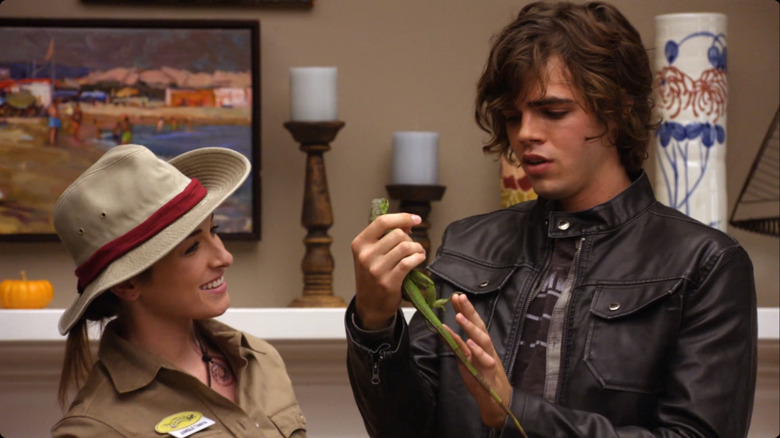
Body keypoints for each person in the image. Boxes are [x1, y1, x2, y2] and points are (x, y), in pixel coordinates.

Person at [345, 2, 756, 437]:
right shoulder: (469, 245)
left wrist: (513, 411)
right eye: (512, 116)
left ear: (617, 112)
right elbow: (403, 430)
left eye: (553, 112)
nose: (525, 133)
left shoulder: (705, 265)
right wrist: (375, 322)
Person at [51, 144, 307, 437]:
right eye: (192, 247)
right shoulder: (98, 428)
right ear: (127, 284)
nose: (225, 258)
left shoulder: (260, 360)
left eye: (215, 230)